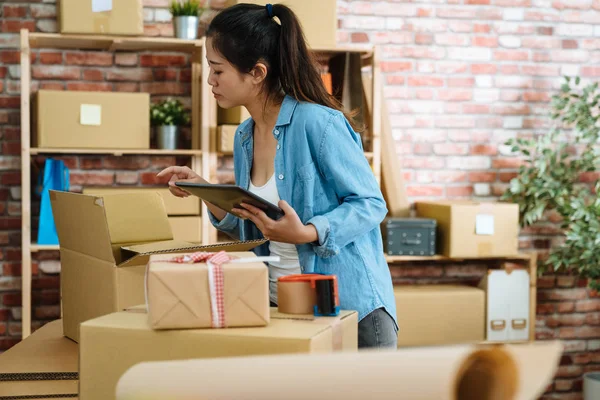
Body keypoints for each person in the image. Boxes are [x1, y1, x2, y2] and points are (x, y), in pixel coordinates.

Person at [157, 3, 398, 348]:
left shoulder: (319, 123)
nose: (210, 80)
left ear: (256, 72)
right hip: (283, 307)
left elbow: (371, 204)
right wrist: (207, 191)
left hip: (350, 312)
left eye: (217, 70)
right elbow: (255, 227)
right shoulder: (245, 137)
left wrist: (309, 232)